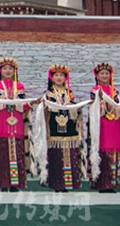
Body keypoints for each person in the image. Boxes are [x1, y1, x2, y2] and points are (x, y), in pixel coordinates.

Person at [0, 57, 30, 192]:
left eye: (10, 69)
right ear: (0, 71)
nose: (7, 71)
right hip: (0, 124)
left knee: (17, 154)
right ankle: (3, 183)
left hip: (16, 124)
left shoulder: (20, 86)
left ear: (15, 71)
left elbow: (24, 106)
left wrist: (33, 103)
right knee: (1, 155)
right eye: (5, 68)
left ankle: (15, 184)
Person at [42, 64, 83, 192]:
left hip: (69, 128)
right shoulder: (48, 94)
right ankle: (57, 184)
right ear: (52, 78)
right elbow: (44, 110)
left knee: (70, 154)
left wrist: (78, 108)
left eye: (61, 75)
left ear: (65, 78)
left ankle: (69, 184)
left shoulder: (69, 93)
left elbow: (75, 109)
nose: (59, 78)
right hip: (54, 128)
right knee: (56, 156)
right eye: (56, 75)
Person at [90, 62, 120, 193]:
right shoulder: (95, 91)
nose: (104, 76)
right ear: (97, 76)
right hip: (101, 124)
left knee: (114, 152)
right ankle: (102, 184)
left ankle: (112, 184)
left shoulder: (114, 91)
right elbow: (94, 105)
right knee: (103, 151)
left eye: (106, 73)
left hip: (114, 124)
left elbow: (117, 104)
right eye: (102, 73)